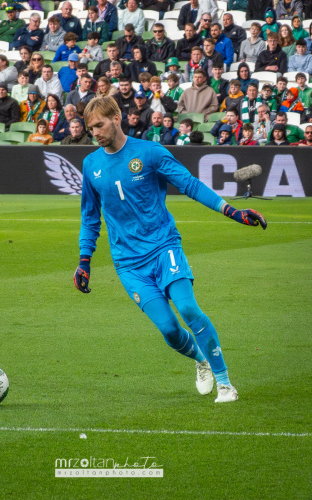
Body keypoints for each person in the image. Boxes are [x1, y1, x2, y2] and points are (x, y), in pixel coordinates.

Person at [74, 96, 267, 404]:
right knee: (169, 330)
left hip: (164, 247)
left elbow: (190, 184)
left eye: (99, 124)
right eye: (90, 127)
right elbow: (89, 217)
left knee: (188, 309)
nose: (95, 132)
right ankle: (200, 360)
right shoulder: (91, 164)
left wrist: (232, 211)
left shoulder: (149, 152)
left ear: (117, 118)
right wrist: (84, 262)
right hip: (128, 263)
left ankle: (225, 383)